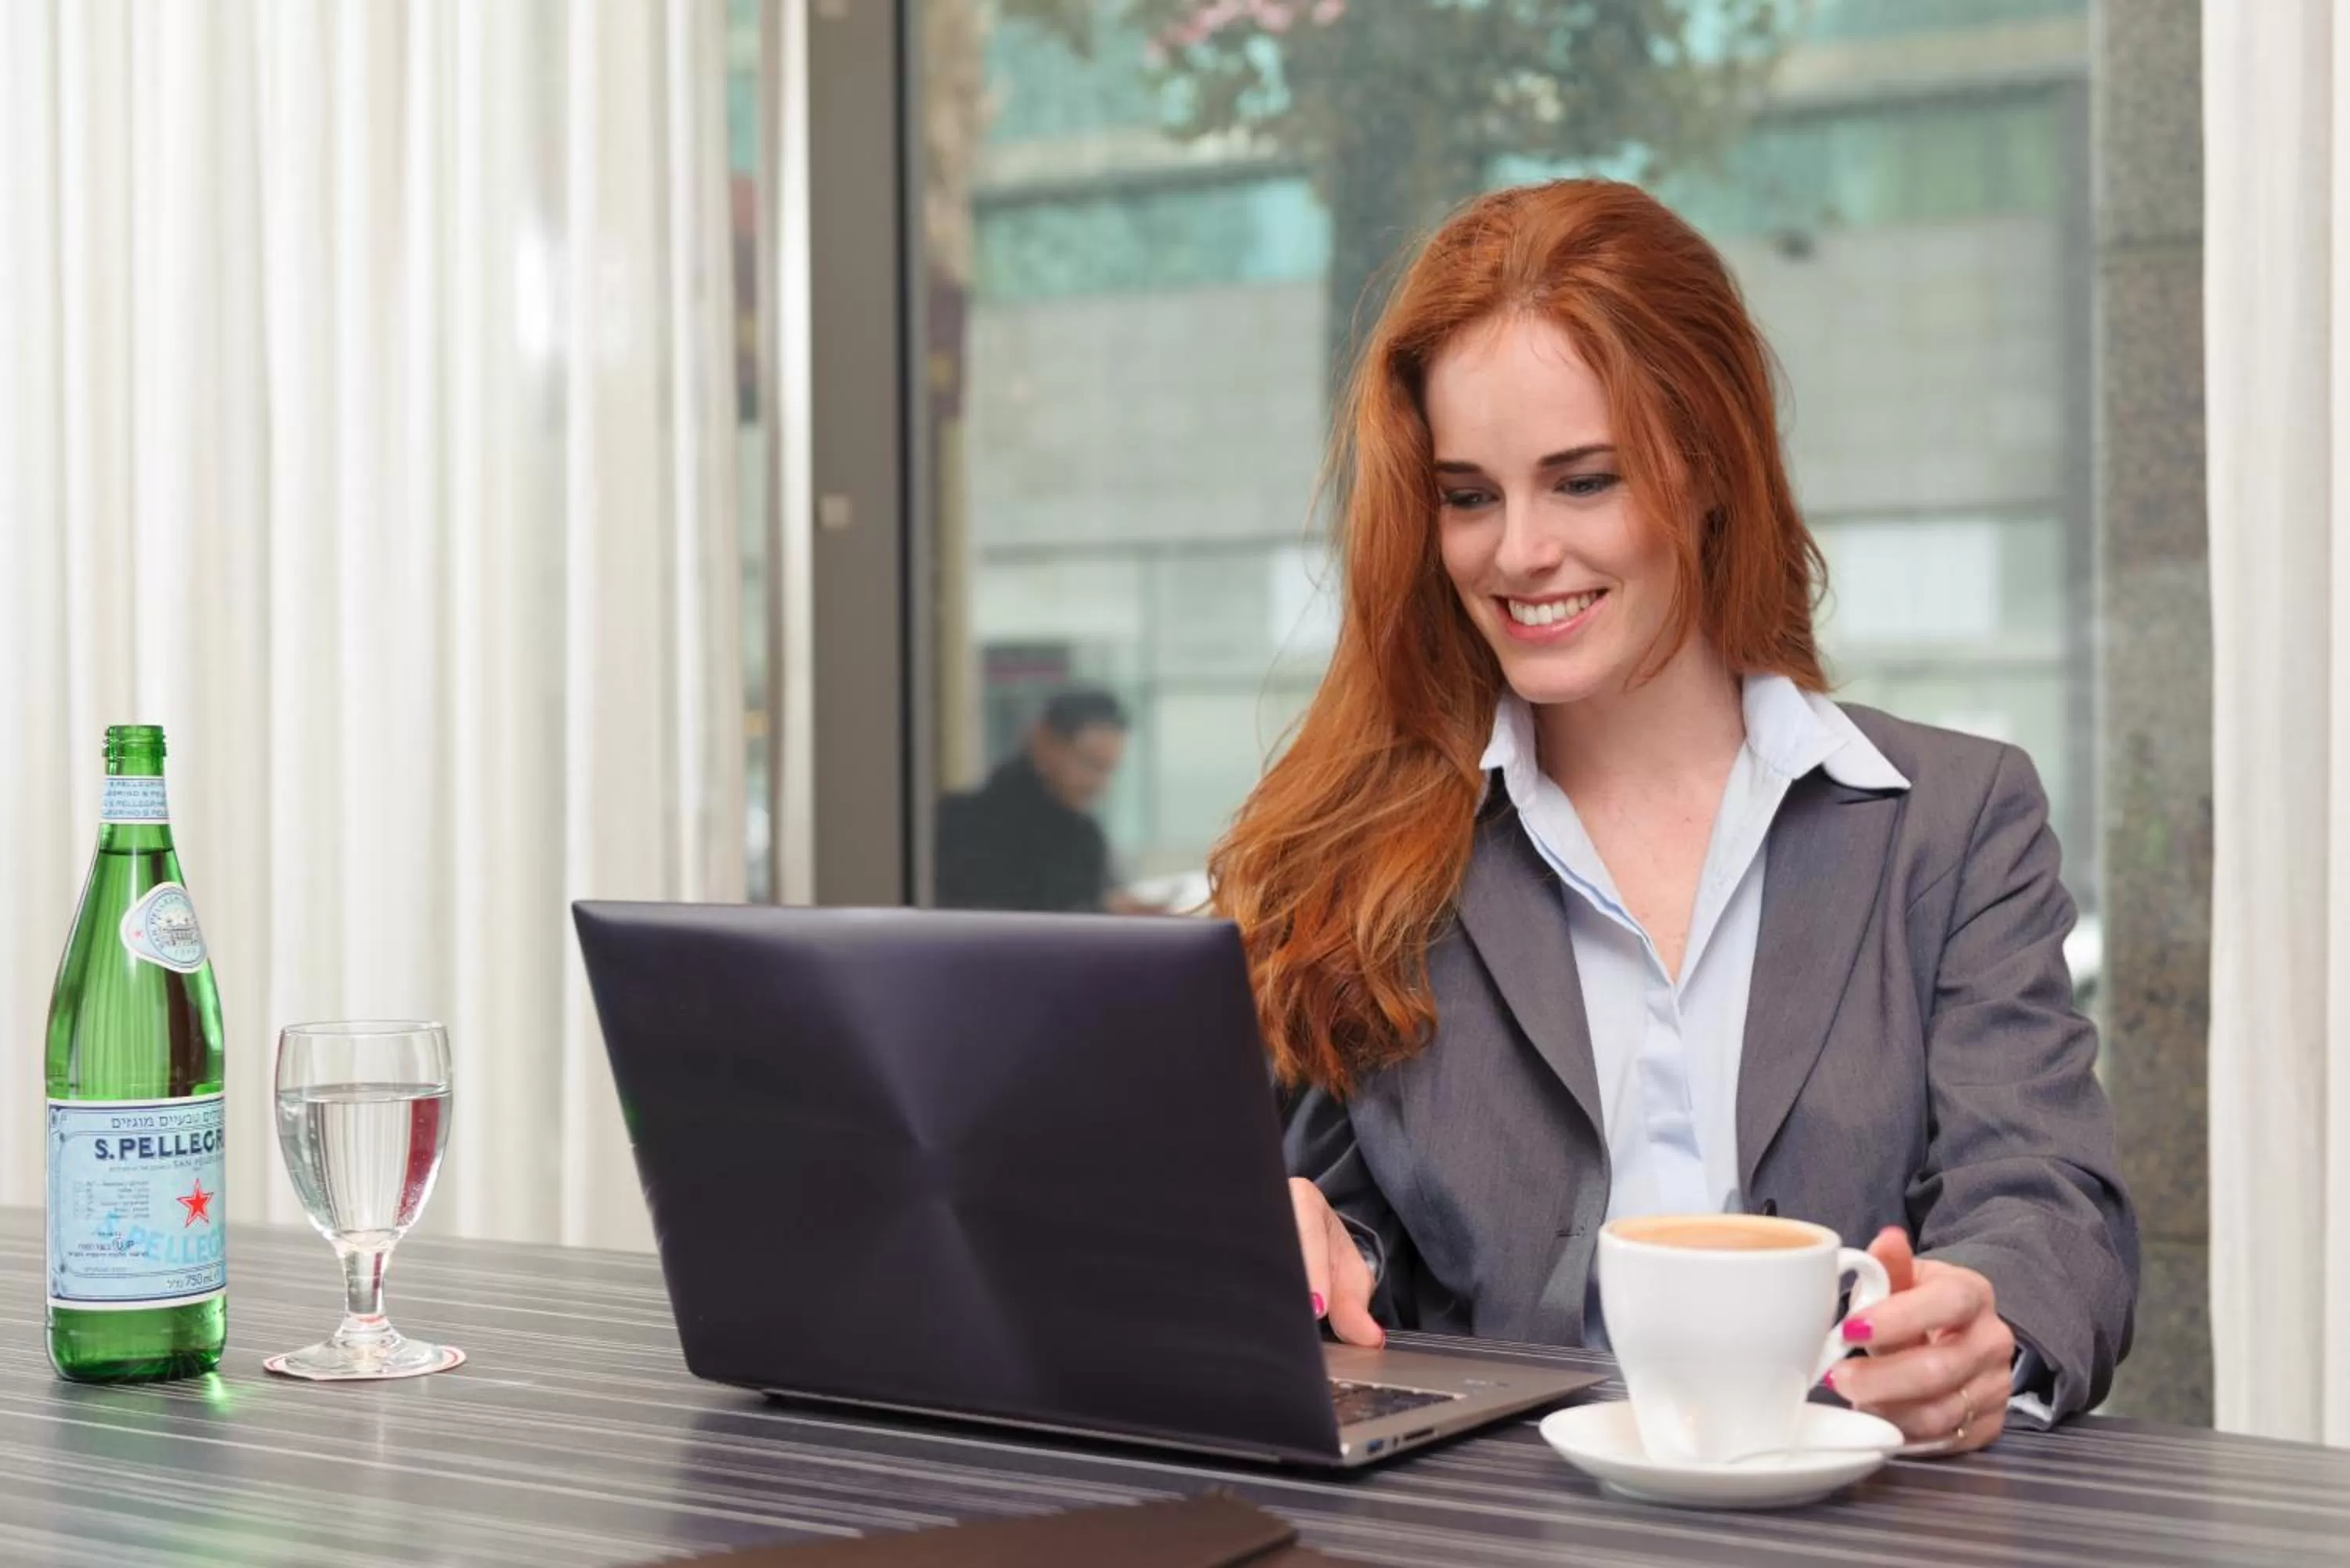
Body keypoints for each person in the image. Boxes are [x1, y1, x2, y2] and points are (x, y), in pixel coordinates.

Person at [1207, 179, 2137, 1454]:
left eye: (1582, 482)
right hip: (1490, 1533)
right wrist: (1295, 1240)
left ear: (1704, 463)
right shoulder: (1360, 851)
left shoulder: (1954, 822)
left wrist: (1989, 1332)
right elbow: (1342, 1227)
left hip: (1864, 1527)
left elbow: (2049, 1205)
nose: (1517, 551)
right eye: (1469, 495)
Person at [936, 687, 1133, 913]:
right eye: (1090, 764)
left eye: (1108, 770)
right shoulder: (960, 825)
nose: (1099, 785)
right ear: (1043, 740)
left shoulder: (1083, 833)